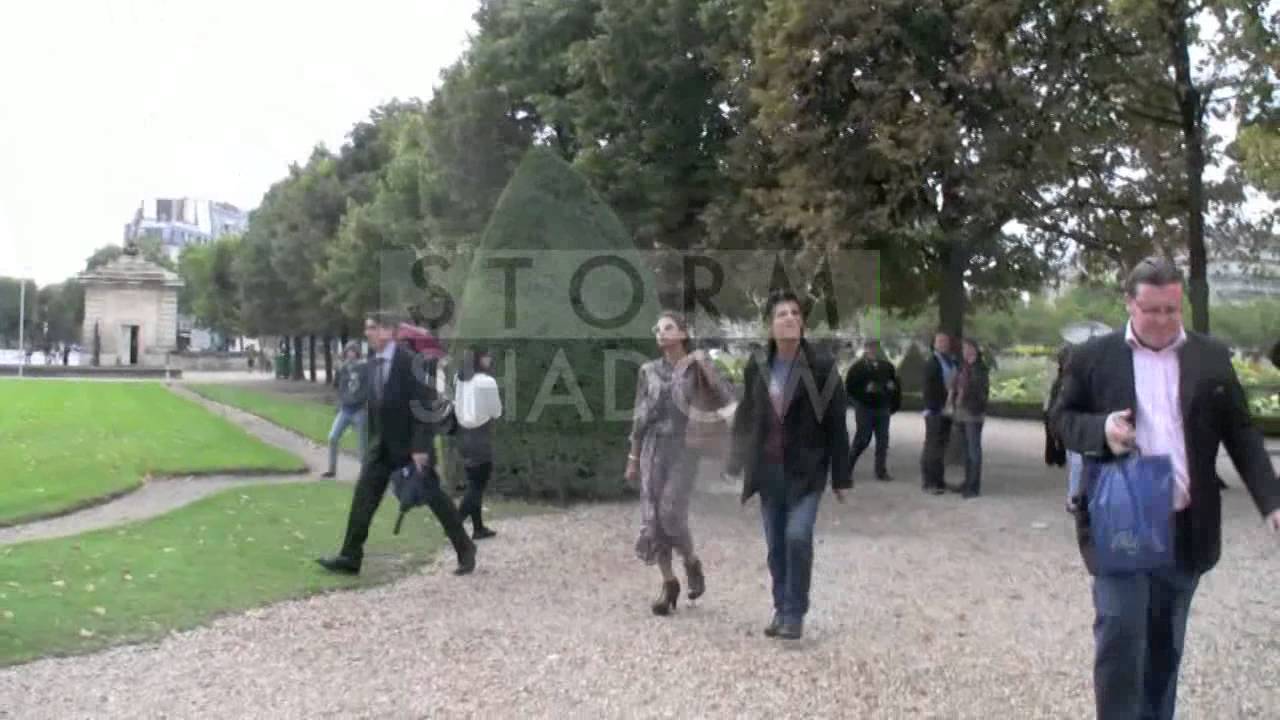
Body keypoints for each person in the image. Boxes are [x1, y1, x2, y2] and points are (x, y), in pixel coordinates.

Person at [1052, 257, 1280, 720]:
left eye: (1171, 310)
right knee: (1119, 637)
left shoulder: (1210, 356)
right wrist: (1102, 431)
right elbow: (1061, 419)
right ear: (1129, 303)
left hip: (1185, 525)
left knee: (1164, 646)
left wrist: (1271, 501)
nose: (1161, 320)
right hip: (1122, 523)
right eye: (1151, 310)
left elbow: (1240, 431)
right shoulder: (1094, 356)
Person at [727, 290, 851, 640]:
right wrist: (735, 463)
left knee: (797, 537)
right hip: (769, 472)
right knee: (776, 547)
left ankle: (794, 613)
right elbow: (747, 415)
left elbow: (837, 424)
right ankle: (781, 607)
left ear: (803, 323)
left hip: (806, 470)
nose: (789, 318)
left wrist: (841, 477)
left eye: (795, 313)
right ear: (771, 326)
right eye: (781, 314)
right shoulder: (759, 366)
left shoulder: (822, 367)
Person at [317, 312, 477, 576]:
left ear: (389, 331)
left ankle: (465, 548)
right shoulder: (373, 361)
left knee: (436, 500)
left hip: (412, 449)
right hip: (382, 448)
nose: (367, 333)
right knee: (363, 498)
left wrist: (420, 448)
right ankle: (350, 556)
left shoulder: (410, 362)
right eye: (367, 328)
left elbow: (425, 406)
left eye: (372, 328)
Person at [626, 312, 735, 615]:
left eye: (668, 327)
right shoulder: (648, 371)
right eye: (657, 328)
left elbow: (727, 397)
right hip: (652, 448)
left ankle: (690, 561)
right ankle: (668, 582)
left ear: (683, 333)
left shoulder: (697, 366)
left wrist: (704, 366)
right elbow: (639, 416)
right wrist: (633, 457)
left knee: (670, 512)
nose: (661, 333)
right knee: (652, 518)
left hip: (684, 449)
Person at [454, 347, 503, 540]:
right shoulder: (486, 381)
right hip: (480, 435)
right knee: (477, 485)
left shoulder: (459, 379)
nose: (490, 359)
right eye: (487, 356)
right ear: (480, 359)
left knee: (473, 482)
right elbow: (497, 411)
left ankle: (478, 527)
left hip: (463, 435)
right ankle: (454, 524)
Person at [844, 338, 902, 481]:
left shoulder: (887, 366)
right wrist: (863, 392)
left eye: (875, 347)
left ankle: (881, 471)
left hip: (882, 408)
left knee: (883, 441)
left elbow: (895, 384)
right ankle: (845, 469)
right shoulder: (857, 368)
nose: (873, 350)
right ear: (866, 349)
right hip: (865, 408)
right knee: (862, 440)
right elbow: (849, 388)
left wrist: (892, 390)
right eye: (870, 347)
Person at [320, 342, 369, 479]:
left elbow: (368, 386)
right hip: (345, 410)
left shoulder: (364, 367)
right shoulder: (343, 368)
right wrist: (339, 401)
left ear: (357, 353)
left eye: (353, 351)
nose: (350, 354)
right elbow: (338, 386)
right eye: (348, 351)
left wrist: (365, 401)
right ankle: (331, 469)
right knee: (332, 437)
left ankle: (365, 473)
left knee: (362, 445)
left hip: (359, 410)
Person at [920, 331, 958, 495]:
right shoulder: (932, 363)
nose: (943, 344)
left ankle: (939, 480)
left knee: (941, 447)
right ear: (934, 344)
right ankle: (929, 482)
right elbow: (929, 389)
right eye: (940, 341)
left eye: (945, 341)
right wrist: (942, 404)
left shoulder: (950, 361)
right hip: (936, 410)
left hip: (948, 410)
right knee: (932, 447)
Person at [952, 337, 989, 499]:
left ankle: (974, 486)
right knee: (966, 450)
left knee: (974, 451)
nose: (965, 351)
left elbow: (979, 391)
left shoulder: (980, 368)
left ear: (974, 349)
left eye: (967, 348)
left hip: (973, 413)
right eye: (963, 348)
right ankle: (967, 481)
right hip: (962, 412)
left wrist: (964, 395)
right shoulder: (964, 367)